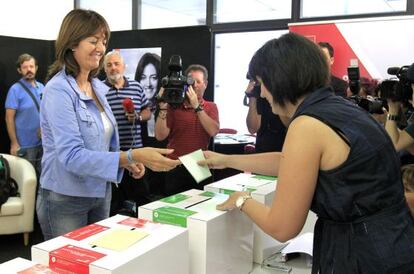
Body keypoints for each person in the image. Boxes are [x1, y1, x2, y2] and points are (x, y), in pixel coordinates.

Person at [199, 33, 414, 273]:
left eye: (261, 83)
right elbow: (289, 162)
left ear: (278, 79)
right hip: (394, 243)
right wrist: (225, 159)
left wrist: (241, 199)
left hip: (362, 256)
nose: (261, 94)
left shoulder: (307, 124)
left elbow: (282, 227)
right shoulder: (340, 108)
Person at [36, 9, 180, 240]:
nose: (101, 48)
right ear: (72, 43)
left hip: (100, 191)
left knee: (97, 260)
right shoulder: (58, 91)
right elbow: (72, 156)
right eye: (93, 41)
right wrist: (132, 156)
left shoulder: (98, 88)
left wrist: (125, 161)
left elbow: (99, 146)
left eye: (103, 41)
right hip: (65, 198)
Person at [155, 64, 219, 195]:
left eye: (199, 82)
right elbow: (160, 136)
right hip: (175, 163)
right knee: (173, 207)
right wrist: (163, 108)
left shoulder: (211, 107)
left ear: (205, 84)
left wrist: (197, 107)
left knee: (201, 205)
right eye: (191, 81)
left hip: (199, 164)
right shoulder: (174, 106)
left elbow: (213, 131)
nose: (194, 85)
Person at [104, 50, 152, 214]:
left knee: (142, 198)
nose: (113, 68)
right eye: (109, 65)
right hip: (111, 153)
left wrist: (137, 117)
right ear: (104, 69)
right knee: (113, 201)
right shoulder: (99, 90)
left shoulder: (137, 87)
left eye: (116, 64)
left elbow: (148, 112)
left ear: (123, 67)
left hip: (135, 151)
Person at [5, 53, 44, 177]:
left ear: (36, 68)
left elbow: (47, 112)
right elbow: (9, 118)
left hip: (43, 143)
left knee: (43, 179)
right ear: (19, 70)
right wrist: (14, 143)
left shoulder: (42, 87)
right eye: (25, 67)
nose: (29, 70)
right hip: (25, 145)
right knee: (27, 180)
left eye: (31, 67)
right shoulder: (15, 90)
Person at [134, 52, 167, 198]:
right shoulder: (134, 108)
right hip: (141, 166)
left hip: (164, 168)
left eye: (153, 77)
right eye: (143, 77)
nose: (148, 84)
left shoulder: (168, 106)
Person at [244, 76, 287, 153]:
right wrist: (252, 98)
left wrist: (276, 97)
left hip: (284, 147)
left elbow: (287, 123)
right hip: (263, 148)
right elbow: (252, 129)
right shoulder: (259, 96)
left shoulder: (285, 93)